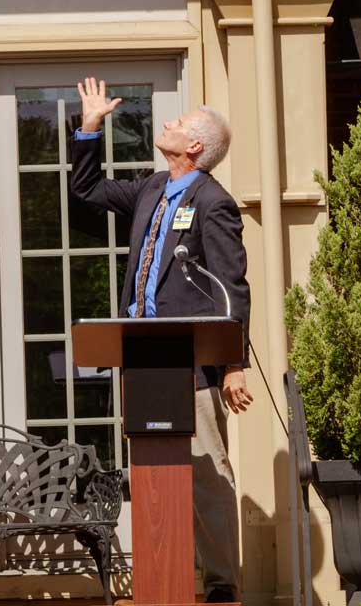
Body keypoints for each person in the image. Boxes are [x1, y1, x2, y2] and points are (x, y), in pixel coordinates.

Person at [70, 77, 252, 603]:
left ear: (194, 146)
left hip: (190, 363)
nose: (167, 123)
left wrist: (232, 364)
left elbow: (229, 289)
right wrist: (89, 127)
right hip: (144, 361)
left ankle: (221, 585)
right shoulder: (153, 187)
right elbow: (87, 191)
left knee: (206, 471)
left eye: (178, 122)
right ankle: (164, 576)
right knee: (157, 469)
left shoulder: (214, 203)